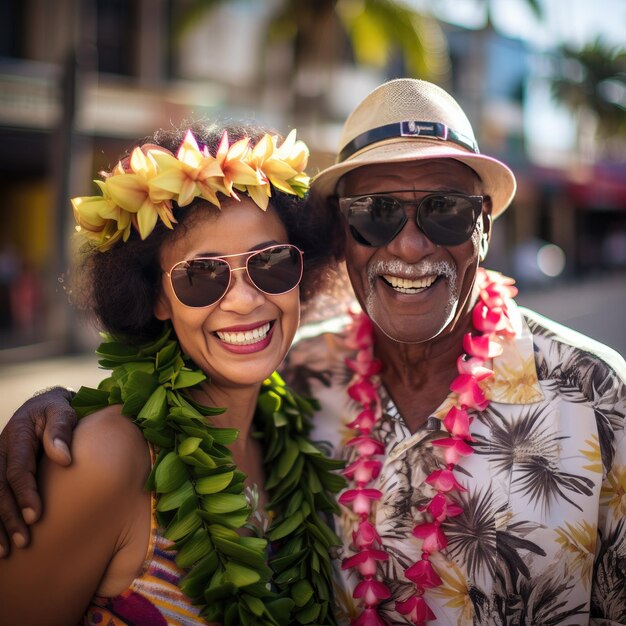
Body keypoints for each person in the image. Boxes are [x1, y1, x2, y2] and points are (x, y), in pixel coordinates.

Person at [2, 78, 626, 625]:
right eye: (376, 213)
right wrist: (56, 412)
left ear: (484, 225)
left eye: (444, 211)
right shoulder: (302, 375)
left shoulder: (600, 397)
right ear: (339, 238)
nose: (409, 246)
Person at [0, 121, 347, 625]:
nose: (247, 299)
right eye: (202, 275)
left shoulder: (291, 436)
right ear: (158, 298)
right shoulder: (107, 457)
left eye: (269, 262)